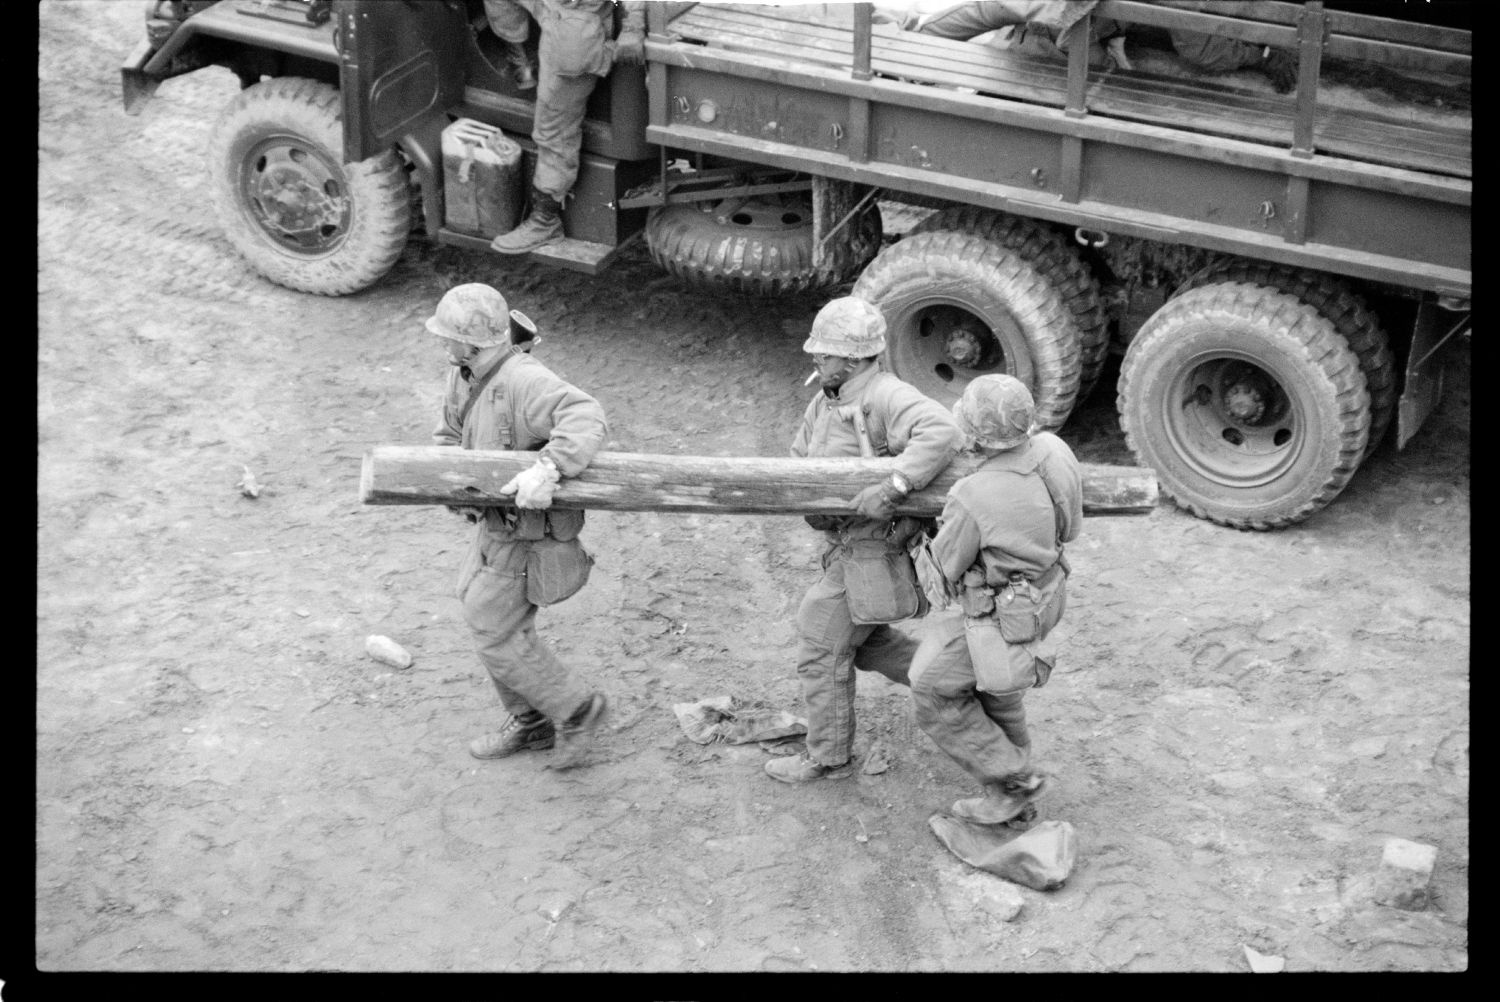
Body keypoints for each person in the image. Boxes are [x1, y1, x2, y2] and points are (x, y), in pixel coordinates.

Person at [765, 296, 964, 784]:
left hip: (873, 549)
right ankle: (958, 686)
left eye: (825, 353)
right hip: (844, 546)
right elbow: (799, 454)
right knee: (869, 644)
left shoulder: (885, 396)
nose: (815, 358)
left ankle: (828, 757)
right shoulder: (827, 398)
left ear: (854, 359)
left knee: (820, 642)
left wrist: (894, 486)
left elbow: (941, 429)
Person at [429, 282, 610, 769]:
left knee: (493, 628)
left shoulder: (524, 381)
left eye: (450, 337)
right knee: (477, 608)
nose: (442, 344)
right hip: (490, 525)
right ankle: (530, 722)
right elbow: (448, 433)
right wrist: (453, 481)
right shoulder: (463, 374)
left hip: (527, 535)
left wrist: (548, 467)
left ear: (476, 341)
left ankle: (576, 709)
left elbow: (585, 415)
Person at [908, 374, 1082, 827]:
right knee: (1001, 694)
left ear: (974, 432)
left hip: (1002, 615)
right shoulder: (1053, 450)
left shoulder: (972, 493)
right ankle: (1015, 794)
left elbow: (941, 575)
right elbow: (1071, 527)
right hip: (1046, 593)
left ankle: (1014, 783)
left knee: (931, 688)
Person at [482, 1, 647, 253]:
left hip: (577, 28)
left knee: (553, 129)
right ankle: (523, 60)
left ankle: (545, 220)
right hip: (553, 8)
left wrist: (634, 26)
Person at [903, 1, 1296, 91]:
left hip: (1051, 16)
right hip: (1057, 28)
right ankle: (913, 47)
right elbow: (1200, 51)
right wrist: (1259, 56)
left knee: (994, 11)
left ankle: (914, 42)